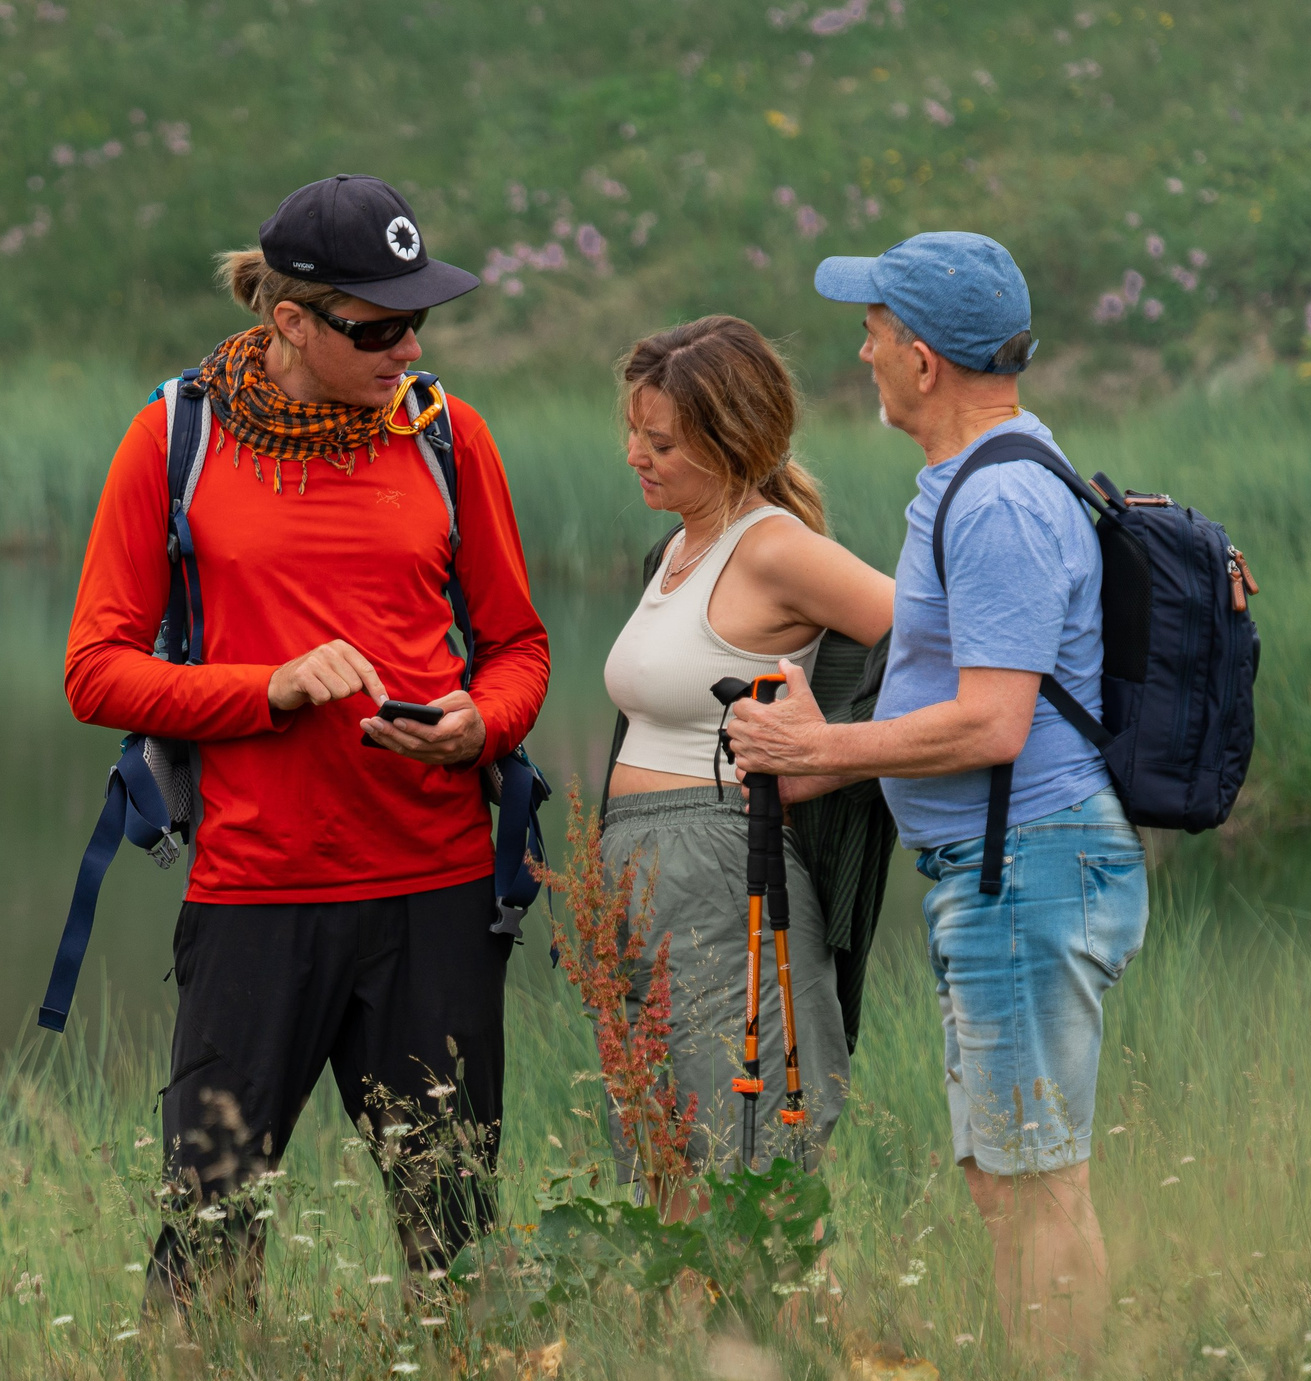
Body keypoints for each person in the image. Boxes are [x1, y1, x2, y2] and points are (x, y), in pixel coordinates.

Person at [63, 174, 550, 1309]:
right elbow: (96, 672)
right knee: (209, 1230)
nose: (406, 348)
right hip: (255, 897)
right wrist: (264, 690)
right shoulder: (171, 438)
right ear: (289, 321)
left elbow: (519, 647)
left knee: (459, 1239)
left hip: (435, 893)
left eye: (418, 320)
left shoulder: (446, 436)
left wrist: (487, 725)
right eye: (375, 328)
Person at [726, 232, 1148, 1367]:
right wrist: (834, 763)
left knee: (1030, 1181)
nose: (858, 349)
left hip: (1030, 870)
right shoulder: (982, 477)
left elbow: (993, 722)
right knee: (1013, 1173)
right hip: (1011, 868)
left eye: (870, 329)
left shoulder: (1000, 501)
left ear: (921, 358)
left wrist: (821, 740)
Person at [597, 316, 895, 1182]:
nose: (634, 456)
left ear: (732, 442)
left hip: (722, 868)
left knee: (740, 1141)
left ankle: (772, 1320)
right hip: (643, 865)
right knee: (656, 1146)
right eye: (634, 433)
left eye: (660, 442)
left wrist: (832, 753)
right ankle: (691, 1323)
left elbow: (933, 642)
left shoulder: (773, 547)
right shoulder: (681, 544)